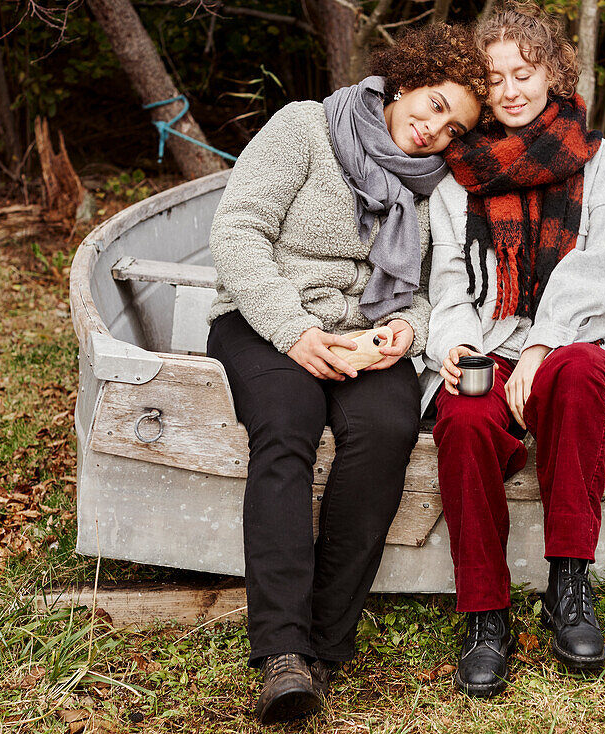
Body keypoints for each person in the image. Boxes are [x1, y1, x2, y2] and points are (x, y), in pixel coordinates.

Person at [422, 2, 605, 697]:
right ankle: (485, 615)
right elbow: (449, 286)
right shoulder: (458, 177)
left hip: (572, 336)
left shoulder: (594, 160)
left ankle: (568, 586)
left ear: (552, 71)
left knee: (579, 372)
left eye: (525, 71)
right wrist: (459, 349)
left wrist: (546, 340)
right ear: (481, 89)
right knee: (462, 417)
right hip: (491, 343)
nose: (512, 89)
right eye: (495, 78)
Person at [205, 25, 486, 723]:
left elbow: (424, 287)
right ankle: (280, 651)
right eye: (432, 104)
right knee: (287, 425)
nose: (433, 129)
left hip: (366, 334)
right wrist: (294, 332)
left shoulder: (433, 187)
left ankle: (324, 646)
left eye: (452, 126)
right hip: (264, 316)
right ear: (404, 82)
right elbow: (237, 232)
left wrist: (406, 332)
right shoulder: (305, 127)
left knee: (387, 427)